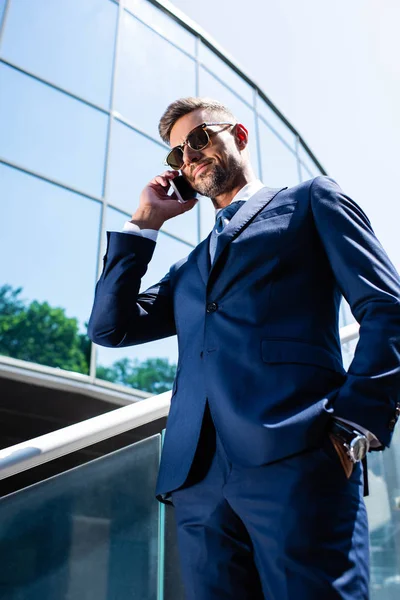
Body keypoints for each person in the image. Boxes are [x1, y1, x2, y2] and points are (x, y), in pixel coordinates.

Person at [88, 97, 400, 599]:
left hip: (299, 458)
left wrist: (355, 428)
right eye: (176, 156)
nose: (188, 157)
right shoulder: (190, 269)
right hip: (196, 482)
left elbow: (387, 309)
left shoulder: (311, 202)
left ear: (239, 134)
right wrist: (143, 224)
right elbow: (109, 327)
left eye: (197, 138)